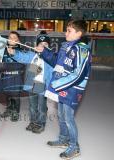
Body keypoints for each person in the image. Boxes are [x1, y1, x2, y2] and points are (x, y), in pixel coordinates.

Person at [35, 20, 92, 159]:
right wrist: (44, 51)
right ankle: (63, 139)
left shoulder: (82, 50)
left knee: (68, 118)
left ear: (79, 33)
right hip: (61, 88)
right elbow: (56, 62)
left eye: (69, 31)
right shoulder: (65, 47)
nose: (66, 33)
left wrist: (58, 84)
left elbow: (78, 74)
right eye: (66, 30)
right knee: (61, 116)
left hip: (72, 90)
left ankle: (74, 147)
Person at [7, 31, 53, 133]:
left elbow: (54, 72)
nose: (43, 46)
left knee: (41, 106)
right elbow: (22, 56)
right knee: (32, 106)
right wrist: (14, 53)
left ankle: (40, 123)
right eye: (40, 44)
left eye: (45, 44)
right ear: (36, 45)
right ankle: (33, 121)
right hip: (32, 84)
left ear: (49, 46)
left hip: (43, 85)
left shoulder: (51, 58)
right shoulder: (32, 55)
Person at [0, 31, 25, 122]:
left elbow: (22, 64)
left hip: (16, 77)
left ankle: (15, 112)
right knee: (8, 94)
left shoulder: (21, 51)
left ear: (18, 40)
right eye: (10, 37)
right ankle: (9, 109)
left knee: (15, 95)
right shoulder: (3, 50)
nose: (12, 39)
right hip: (6, 76)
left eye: (14, 37)